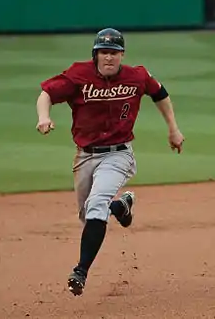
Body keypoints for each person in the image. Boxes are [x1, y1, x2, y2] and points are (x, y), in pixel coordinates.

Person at [36, 28, 185, 296]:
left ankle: (80, 271)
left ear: (122, 55)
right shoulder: (78, 75)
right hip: (85, 156)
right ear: (95, 55)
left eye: (114, 53)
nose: (109, 58)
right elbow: (46, 93)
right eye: (104, 52)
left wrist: (173, 129)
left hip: (118, 154)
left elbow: (160, 93)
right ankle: (121, 206)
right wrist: (43, 117)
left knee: (96, 206)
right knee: (90, 215)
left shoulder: (137, 75)